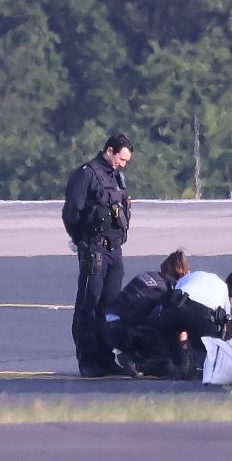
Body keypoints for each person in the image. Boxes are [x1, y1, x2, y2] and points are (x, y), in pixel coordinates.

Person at [62, 134, 134, 377]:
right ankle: (88, 360)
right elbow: (71, 213)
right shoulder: (86, 174)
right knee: (89, 306)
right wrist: (82, 243)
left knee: (110, 306)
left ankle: (105, 358)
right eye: (121, 158)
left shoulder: (115, 176)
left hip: (114, 250)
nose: (123, 164)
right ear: (110, 150)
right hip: (94, 249)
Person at [103, 249, 190, 378]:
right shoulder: (163, 290)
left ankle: (131, 354)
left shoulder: (151, 276)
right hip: (123, 330)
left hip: (110, 326)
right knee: (167, 353)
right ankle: (140, 362)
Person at [143, 269, 232, 379]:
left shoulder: (187, 278)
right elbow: (226, 320)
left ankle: (177, 363)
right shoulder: (222, 287)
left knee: (162, 328)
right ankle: (202, 367)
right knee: (204, 347)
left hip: (178, 306)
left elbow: (173, 298)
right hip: (205, 316)